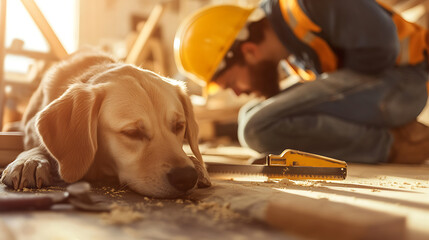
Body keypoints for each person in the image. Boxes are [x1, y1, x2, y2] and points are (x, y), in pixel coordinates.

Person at [174, 0, 429, 164]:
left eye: (230, 83)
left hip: (404, 84)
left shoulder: (308, 4)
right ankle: (397, 136)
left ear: (250, 51)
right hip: (382, 90)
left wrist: (328, 89)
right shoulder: (292, 52)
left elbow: (383, 43)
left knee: (255, 127)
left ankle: (396, 146)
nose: (238, 92)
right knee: (248, 115)